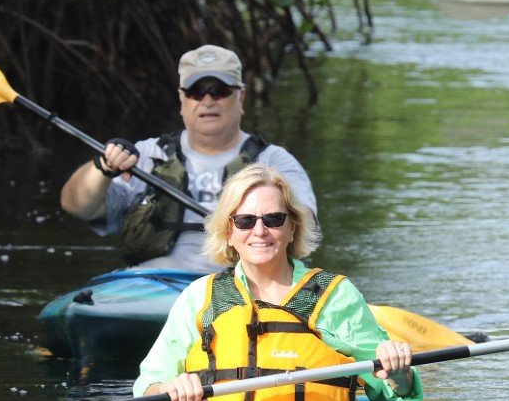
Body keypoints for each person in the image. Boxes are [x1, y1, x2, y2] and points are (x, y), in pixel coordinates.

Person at [132, 163, 419, 401]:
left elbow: (394, 392)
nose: (260, 231)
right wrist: (168, 392)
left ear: (292, 228)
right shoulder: (200, 297)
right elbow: (151, 394)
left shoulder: (333, 297)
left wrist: (397, 371)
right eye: (245, 220)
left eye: (273, 219)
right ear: (228, 230)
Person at [59, 44, 316, 272]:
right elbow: (77, 206)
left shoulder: (274, 163)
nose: (207, 100)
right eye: (195, 91)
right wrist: (103, 167)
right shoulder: (145, 156)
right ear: (182, 98)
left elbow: (305, 227)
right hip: (148, 285)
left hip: (234, 291)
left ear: (241, 97)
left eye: (219, 90)